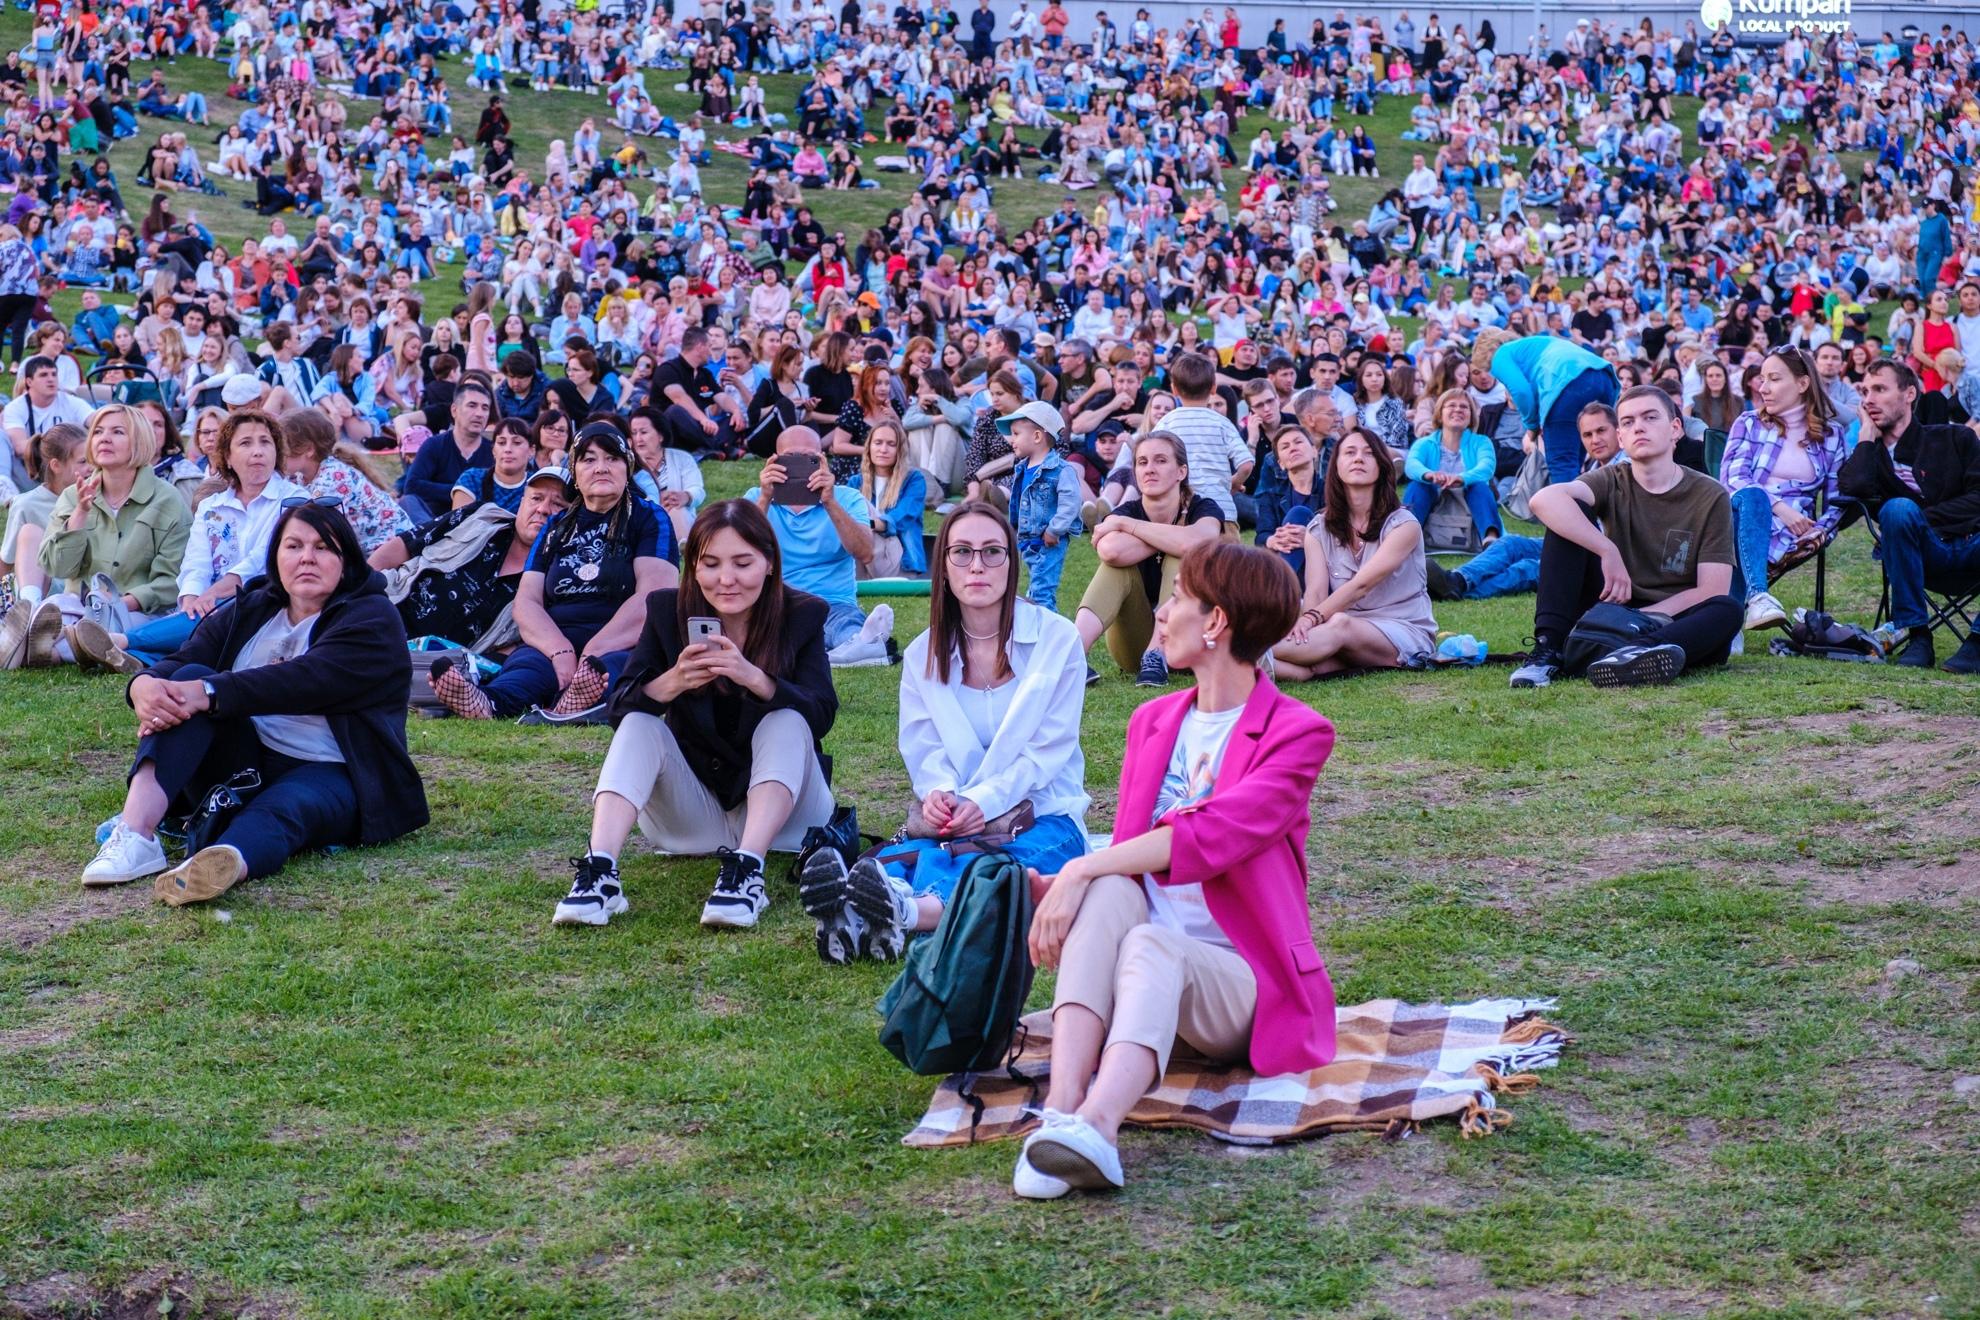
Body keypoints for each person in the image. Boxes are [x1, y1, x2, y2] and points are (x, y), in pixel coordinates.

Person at [1012, 541, 1334, 1198]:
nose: (1160, 612)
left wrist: (1078, 870)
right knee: (1110, 888)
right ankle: (1062, 1111)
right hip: (1145, 966)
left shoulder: (1298, 732)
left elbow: (1209, 836)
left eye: (1178, 598)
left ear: (1216, 622)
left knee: (1139, 928)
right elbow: (1132, 850)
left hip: (1242, 981)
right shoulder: (1153, 720)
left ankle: (1099, 1127)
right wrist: (1069, 885)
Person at [77, 501, 428, 904]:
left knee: (286, 808)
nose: (307, 558)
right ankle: (136, 835)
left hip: (333, 768)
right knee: (186, 681)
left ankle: (219, 864)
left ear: (346, 560)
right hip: (246, 757)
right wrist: (143, 685)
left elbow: (303, 681)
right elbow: (188, 658)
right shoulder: (256, 606)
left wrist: (209, 693)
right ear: (275, 556)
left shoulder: (373, 617)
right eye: (294, 546)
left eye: (323, 548)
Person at [797, 503, 1089, 965]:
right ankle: (867, 910)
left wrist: (983, 803)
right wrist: (940, 794)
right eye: (962, 552)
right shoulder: (922, 654)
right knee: (932, 853)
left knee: (1009, 864)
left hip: (1041, 812)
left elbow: (1046, 752)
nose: (977, 565)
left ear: (1011, 562)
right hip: (951, 821)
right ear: (945, 566)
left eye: (992, 552)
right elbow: (924, 747)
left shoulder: (1057, 641)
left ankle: (904, 912)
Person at [559, 500, 840, 930]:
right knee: (639, 723)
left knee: (785, 718)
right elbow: (619, 710)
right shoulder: (667, 611)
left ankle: (748, 870)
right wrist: (674, 681)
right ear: (692, 566)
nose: (726, 579)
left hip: (788, 817)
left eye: (742, 563)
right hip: (694, 817)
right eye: (710, 564)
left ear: (769, 563)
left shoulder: (802, 614)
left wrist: (755, 678)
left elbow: (820, 715)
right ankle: (599, 871)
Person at [429, 423, 678, 723]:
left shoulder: (648, 516)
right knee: (527, 668)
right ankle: (489, 703)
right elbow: (527, 601)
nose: (601, 468)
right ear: (575, 472)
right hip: (557, 637)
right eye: (589, 459)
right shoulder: (557, 525)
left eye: (612, 458)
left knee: (611, 669)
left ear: (627, 467)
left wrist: (592, 651)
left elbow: (652, 596)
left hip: (621, 640)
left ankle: (578, 699)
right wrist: (560, 652)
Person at [1510, 386, 1741, 690]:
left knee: (1727, 609)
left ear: (1675, 429)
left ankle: (1635, 652)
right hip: (1615, 601)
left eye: (1650, 417)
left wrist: (1642, 618)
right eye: (1628, 422)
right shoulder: (1613, 478)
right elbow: (1543, 500)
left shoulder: (1710, 494)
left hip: (1672, 618)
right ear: (1620, 438)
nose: (1638, 427)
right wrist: (1607, 549)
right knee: (1568, 514)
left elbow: (1712, 589)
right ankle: (1548, 649)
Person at [69, 410, 306, 675]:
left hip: (263, 601)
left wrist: (213, 594)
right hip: (208, 606)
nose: (258, 451)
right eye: (246, 443)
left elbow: (262, 560)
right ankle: (131, 656)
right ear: (228, 456)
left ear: (277, 451)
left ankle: (120, 642)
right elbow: (196, 561)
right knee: (201, 622)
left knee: (219, 614)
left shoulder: (294, 501)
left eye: (265, 442)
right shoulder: (211, 506)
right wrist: (192, 597)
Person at [10, 405, 191, 670]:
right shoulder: (73, 496)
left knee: (101, 628)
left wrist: (117, 603)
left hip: (137, 612)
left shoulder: (168, 500)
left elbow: (171, 581)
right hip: (78, 606)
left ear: (140, 441)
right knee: (59, 608)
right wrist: (79, 516)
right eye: (98, 432)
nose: (104, 438)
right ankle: (56, 647)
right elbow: (58, 568)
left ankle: (36, 649)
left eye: (117, 432)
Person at [1838, 360, 1980, 673]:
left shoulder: (1954, 438)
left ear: (1909, 394)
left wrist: (1924, 518)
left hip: (1972, 548)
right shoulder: (1870, 457)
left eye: (1880, 389)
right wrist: (1865, 437)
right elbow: (1853, 488)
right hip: (1918, 557)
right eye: (1865, 392)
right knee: (1898, 509)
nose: (1869, 400)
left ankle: (1977, 644)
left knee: (1903, 510)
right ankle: (1918, 637)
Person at [1272, 429, 1437, 679]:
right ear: (1336, 466)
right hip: (1339, 634)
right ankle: (1245, 664)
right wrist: (1308, 627)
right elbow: (1315, 592)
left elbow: (1361, 585)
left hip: (1402, 631)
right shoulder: (1318, 528)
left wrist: (1310, 619)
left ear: (1381, 466)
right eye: (1349, 452)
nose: (1358, 458)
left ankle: (1242, 650)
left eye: (1368, 453)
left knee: (1340, 624)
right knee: (1311, 667)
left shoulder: (1404, 525)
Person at [1425, 402, 1623, 603]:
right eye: (1587, 435)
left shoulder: (1626, 468)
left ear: (1618, 431)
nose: (1595, 440)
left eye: (1601, 431)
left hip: (1603, 554)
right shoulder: (1593, 468)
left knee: (1529, 568)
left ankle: (1450, 590)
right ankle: (1456, 579)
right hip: (1577, 543)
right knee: (1510, 544)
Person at [1076, 431, 1225, 685]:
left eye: (1161, 461)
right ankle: (1072, 653)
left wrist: (1128, 526)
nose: (1150, 469)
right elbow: (1111, 551)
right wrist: (1172, 535)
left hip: (1192, 642)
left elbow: (1199, 542)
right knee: (1116, 566)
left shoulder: (1203, 507)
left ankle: (1157, 655)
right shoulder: (1127, 511)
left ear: (1181, 472)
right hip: (1135, 644)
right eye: (1142, 462)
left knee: (1181, 557)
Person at [1718, 348, 1850, 632]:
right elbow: (1732, 478)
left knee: (1745, 521)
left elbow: (1837, 502)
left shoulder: (1831, 436)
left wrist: (1820, 531)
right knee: (1752, 499)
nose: (1763, 388)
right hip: (1740, 513)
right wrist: (1778, 507)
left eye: (1774, 379)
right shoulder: (1749, 422)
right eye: (1762, 379)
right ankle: (1757, 597)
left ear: (1802, 384)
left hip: (1793, 534)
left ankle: (1728, 621)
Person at [373, 464, 572, 651]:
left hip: (433, 665)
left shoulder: (557, 579)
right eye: (536, 498)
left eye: (557, 504)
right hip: (384, 613)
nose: (543, 509)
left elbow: (512, 649)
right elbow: (405, 544)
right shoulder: (480, 516)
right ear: (521, 503)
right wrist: (363, 585)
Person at [744, 426, 895, 664]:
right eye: (791, 458)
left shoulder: (847, 497)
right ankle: (854, 647)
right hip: (776, 601)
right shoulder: (756, 498)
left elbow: (865, 553)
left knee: (843, 623)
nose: (799, 466)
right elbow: (740, 549)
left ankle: (861, 641)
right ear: (774, 460)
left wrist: (829, 502)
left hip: (832, 603)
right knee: (767, 626)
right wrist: (765, 498)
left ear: (822, 460)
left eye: (809, 459)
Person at [1471, 326, 1620, 486]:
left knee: (1562, 463)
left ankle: (1568, 502)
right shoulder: (1534, 344)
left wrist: (1532, 426)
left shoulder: (1500, 354)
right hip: (1604, 377)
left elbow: (1521, 392)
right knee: (1588, 456)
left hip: (1566, 385)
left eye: (1489, 369)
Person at [278, 409, 412, 554]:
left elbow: (321, 536)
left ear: (309, 450)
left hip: (389, 546)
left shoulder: (331, 481)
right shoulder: (302, 474)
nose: (277, 456)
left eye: (283, 450)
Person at [0, 424, 84, 639]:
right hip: (40, 586)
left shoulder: (94, 497)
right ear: (56, 465)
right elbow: (6, 563)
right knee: (31, 533)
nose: (92, 467)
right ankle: (30, 616)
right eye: (83, 462)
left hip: (80, 588)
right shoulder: (26, 504)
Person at [1156, 351, 1254, 525]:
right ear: (1214, 388)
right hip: (1223, 514)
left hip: (1181, 513)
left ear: (1174, 389)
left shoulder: (1167, 423)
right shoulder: (1222, 423)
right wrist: (1234, 482)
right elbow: (1246, 465)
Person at [1002, 400, 1081, 611]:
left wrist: (1055, 530)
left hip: (1049, 542)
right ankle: (1039, 621)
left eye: (1016, 434)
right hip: (1028, 540)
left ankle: (1048, 628)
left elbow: (1071, 503)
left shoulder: (1061, 470)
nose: (1011, 440)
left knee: (1042, 591)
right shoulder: (1022, 468)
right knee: (1034, 587)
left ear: (1037, 436)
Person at [1402, 389, 1502, 544]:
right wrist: (1429, 475)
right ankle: (1404, 538)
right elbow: (1411, 465)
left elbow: (1486, 467)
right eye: (1451, 405)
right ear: (1439, 414)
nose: (1458, 410)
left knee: (1480, 487)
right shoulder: (1424, 443)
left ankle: (1491, 539)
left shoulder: (1481, 442)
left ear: (1471, 416)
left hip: (1469, 501)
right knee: (1418, 486)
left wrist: (1462, 478)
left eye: (1464, 407)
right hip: (1434, 498)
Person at [398, 379, 496, 523]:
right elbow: (412, 486)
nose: (479, 414)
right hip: (431, 520)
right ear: (454, 410)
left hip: (475, 523)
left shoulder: (494, 452)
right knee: (408, 502)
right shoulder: (434, 445)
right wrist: (460, 490)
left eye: (485, 408)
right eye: (472, 406)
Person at [856, 420, 928, 578]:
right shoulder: (856, 482)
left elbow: (903, 516)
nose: (883, 449)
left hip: (900, 559)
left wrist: (868, 524)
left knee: (858, 505)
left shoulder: (914, 480)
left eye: (891, 444)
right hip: (863, 557)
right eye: (878, 443)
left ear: (900, 450)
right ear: (869, 447)